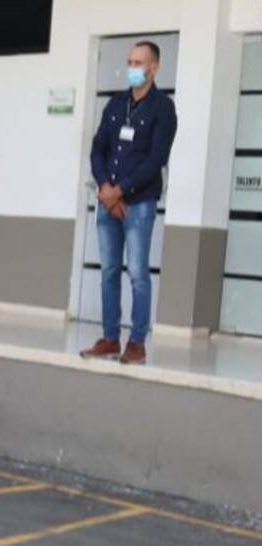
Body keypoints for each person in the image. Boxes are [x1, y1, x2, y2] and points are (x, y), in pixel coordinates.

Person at [81, 40, 178, 366]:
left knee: (137, 272)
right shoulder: (115, 104)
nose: (132, 68)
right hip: (110, 200)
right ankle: (110, 339)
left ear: (154, 68)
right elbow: (98, 148)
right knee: (109, 271)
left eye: (139, 63)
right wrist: (106, 188)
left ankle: (136, 343)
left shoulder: (163, 109)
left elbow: (156, 159)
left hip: (139, 203)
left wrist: (119, 190)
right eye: (130, 62)